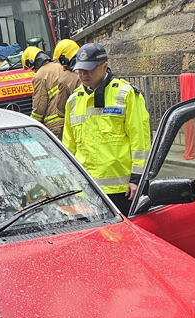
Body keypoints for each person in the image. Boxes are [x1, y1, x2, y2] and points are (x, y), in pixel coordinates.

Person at [62, 43, 151, 215]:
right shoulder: (73, 100)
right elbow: (68, 147)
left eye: (88, 69)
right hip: (86, 190)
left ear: (104, 67)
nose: (82, 74)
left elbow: (140, 140)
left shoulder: (125, 94)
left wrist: (138, 179)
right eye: (80, 69)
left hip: (122, 191)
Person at [24, 41, 79, 138]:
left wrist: (30, 126)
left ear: (31, 62)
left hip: (55, 124)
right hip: (70, 118)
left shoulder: (39, 76)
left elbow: (39, 106)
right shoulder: (60, 66)